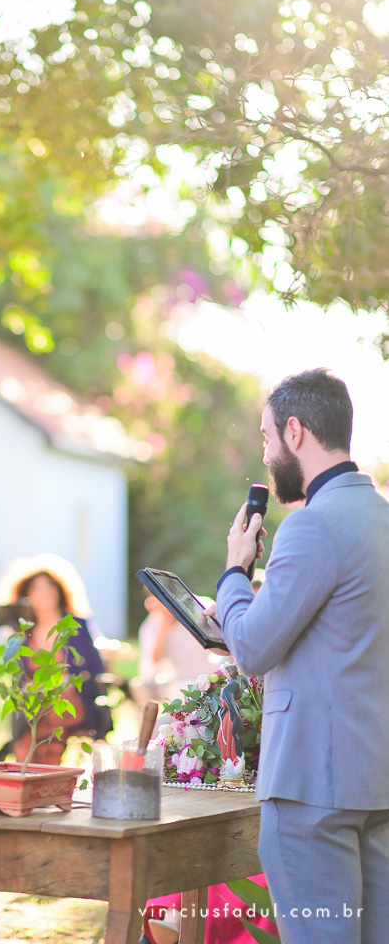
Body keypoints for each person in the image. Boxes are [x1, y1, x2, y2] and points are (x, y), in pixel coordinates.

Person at [215, 368, 389, 944]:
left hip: (312, 785)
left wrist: (236, 571)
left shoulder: (311, 526)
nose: (266, 456)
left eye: (266, 438)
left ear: (295, 431)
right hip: (378, 781)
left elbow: (253, 649)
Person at [0, 554, 112, 765]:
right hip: (35, 706)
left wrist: (65, 682)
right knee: (34, 725)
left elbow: (95, 671)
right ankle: (36, 773)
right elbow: (17, 681)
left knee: (47, 723)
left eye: (49, 585)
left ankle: (37, 772)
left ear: (60, 590)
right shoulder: (22, 634)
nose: (44, 592)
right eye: (36, 587)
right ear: (26, 594)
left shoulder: (76, 626)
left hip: (73, 702)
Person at [135, 593, 219, 704]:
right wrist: (162, 631)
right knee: (139, 685)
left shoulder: (200, 606)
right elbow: (151, 665)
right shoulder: (153, 624)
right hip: (176, 685)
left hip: (207, 678)